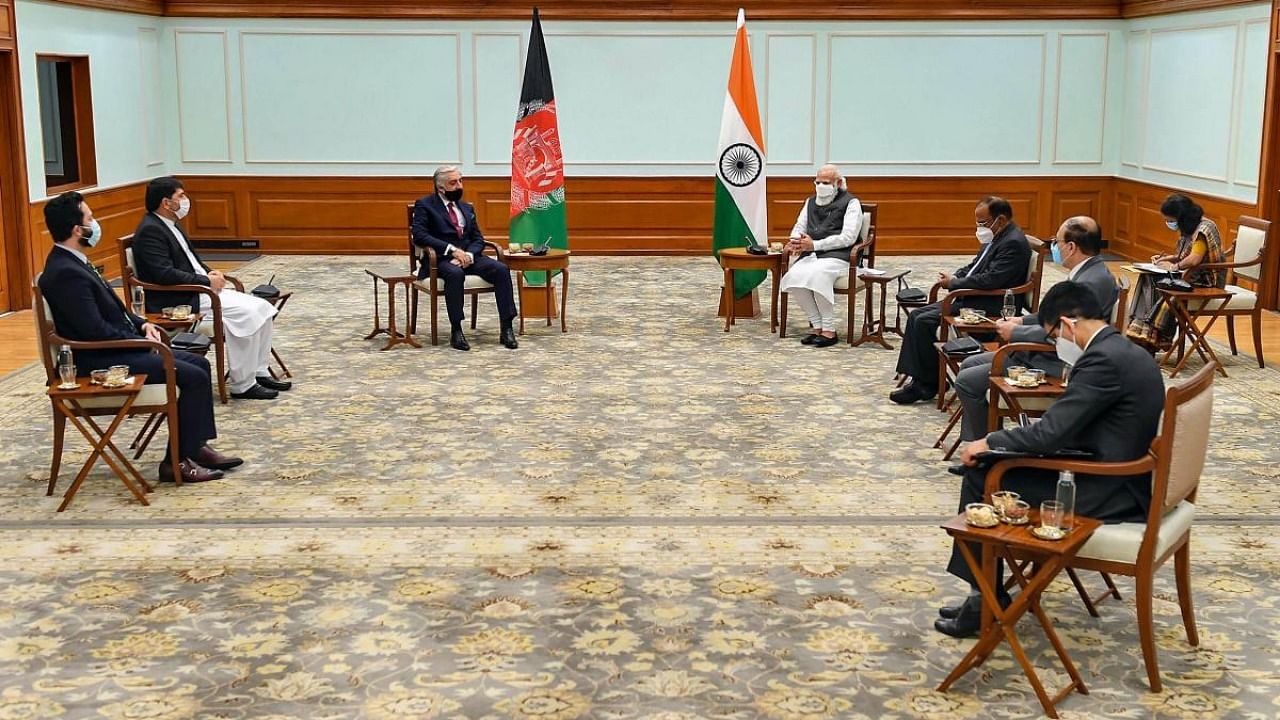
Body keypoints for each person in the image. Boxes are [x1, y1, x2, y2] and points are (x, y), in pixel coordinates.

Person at [934, 281, 1164, 638]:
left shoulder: (1101, 360)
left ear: (1068, 325)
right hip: (1119, 472)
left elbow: (1050, 435)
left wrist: (988, 441)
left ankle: (984, 603)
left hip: (1107, 488)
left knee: (983, 472)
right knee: (998, 462)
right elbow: (1068, 427)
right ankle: (985, 595)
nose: (1056, 344)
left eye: (1054, 335)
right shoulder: (1123, 349)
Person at [38, 192, 241, 484]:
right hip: (99, 361)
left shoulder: (75, 261)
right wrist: (145, 344)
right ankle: (175, 463)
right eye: (90, 218)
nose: (95, 224)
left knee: (199, 366)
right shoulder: (64, 272)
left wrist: (142, 324)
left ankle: (193, 447)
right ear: (76, 229)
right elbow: (93, 330)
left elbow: (115, 311)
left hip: (116, 347)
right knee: (190, 375)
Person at [952, 216, 1118, 443]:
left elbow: (1065, 330)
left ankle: (981, 447)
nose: (1053, 247)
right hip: (1045, 349)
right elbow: (1054, 315)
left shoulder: (1090, 282)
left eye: (1056, 241)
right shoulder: (1089, 271)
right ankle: (990, 438)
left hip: (1056, 361)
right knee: (971, 363)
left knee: (967, 380)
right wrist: (1021, 321)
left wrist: (1015, 333)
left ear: (1071, 247)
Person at [131, 177, 288, 401]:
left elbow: (190, 261)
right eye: (181, 196)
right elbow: (163, 274)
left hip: (199, 288)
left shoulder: (171, 224)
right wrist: (205, 282)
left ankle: (259, 372)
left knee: (263, 307)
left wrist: (210, 273)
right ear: (166, 202)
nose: (186, 201)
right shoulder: (150, 230)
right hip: (182, 297)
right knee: (247, 313)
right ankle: (243, 384)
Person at [890, 197, 1032, 405]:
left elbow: (993, 279)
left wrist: (955, 284)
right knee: (918, 315)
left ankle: (926, 385)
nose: (979, 227)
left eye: (982, 222)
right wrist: (957, 276)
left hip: (991, 304)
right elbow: (975, 266)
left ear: (1000, 220)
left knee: (923, 321)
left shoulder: (1013, 243)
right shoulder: (997, 237)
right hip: (975, 296)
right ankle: (926, 379)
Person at [411, 165, 519, 352]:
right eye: (453, 183)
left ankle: (506, 327)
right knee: (454, 274)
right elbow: (419, 235)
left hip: (470, 257)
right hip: (441, 259)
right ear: (440, 187)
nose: (459, 186)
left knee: (501, 269)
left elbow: (478, 238)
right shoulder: (425, 205)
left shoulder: (466, 207)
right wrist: (452, 250)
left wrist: (468, 255)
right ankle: (456, 329)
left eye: (460, 181)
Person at [1124, 193, 1226, 352]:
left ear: (1182, 217)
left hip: (1204, 280)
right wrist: (1168, 259)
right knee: (1147, 277)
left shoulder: (1204, 229)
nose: (1169, 223)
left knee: (1156, 282)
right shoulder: (1190, 227)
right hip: (1189, 275)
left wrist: (1174, 266)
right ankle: (1141, 331)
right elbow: (1185, 255)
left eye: (1171, 220)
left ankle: (1153, 336)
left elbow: (1194, 259)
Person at [778, 164, 863, 347]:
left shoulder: (851, 203)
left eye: (825, 182)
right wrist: (796, 242)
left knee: (817, 275)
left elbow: (848, 237)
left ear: (838, 183)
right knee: (793, 277)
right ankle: (817, 326)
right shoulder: (810, 202)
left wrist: (815, 244)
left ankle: (829, 331)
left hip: (839, 256)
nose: (820, 186)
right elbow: (799, 227)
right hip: (811, 255)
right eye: (817, 182)